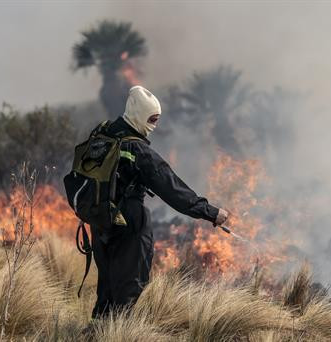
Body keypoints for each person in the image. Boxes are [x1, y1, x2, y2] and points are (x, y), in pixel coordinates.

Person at [89, 85, 229, 320]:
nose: (153, 125)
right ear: (140, 115)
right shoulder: (137, 149)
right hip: (129, 222)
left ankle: (99, 329)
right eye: (152, 119)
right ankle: (117, 332)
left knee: (109, 280)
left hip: (101, 219)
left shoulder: (103, 135)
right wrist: (210, 212)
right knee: (131, 281)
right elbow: (171, 188)